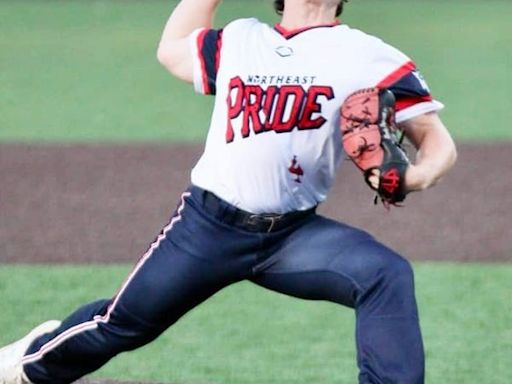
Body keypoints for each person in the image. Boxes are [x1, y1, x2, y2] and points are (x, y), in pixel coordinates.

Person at [0, 0, 457, 383]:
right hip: (206, 229)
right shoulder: (241, 40)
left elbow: (437, 142)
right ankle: (26, 366)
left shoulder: (370, 57)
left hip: (293, 238)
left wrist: (412, 177)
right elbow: (172, 51)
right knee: (120, 325)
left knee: (385, 274)